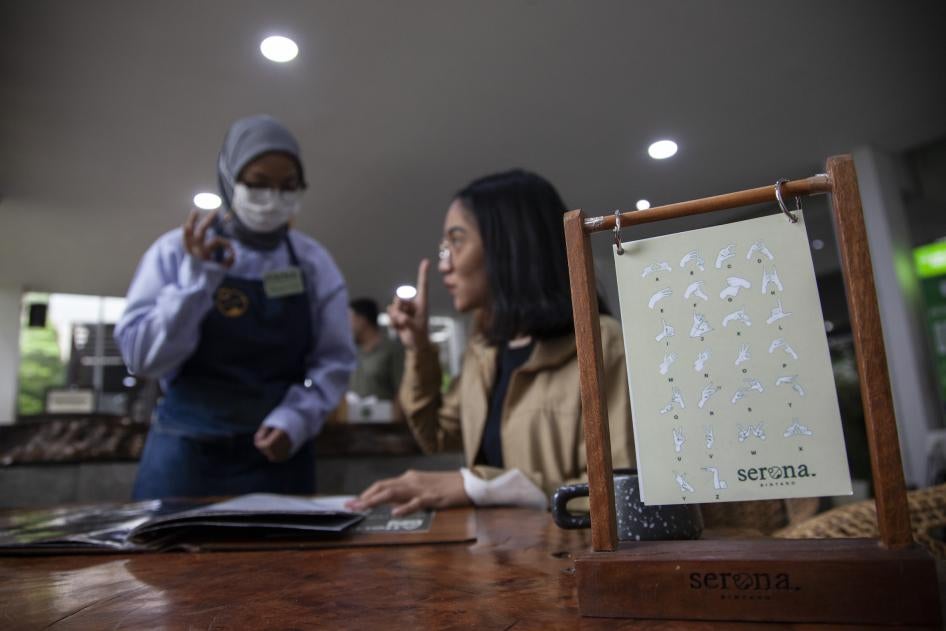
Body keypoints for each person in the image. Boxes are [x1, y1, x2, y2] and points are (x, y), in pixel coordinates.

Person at [347, 169, 634, 516]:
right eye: (443, 248)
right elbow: (436, 435)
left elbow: (623, 493)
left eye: (457, 241)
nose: (444, 265)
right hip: (501, 547)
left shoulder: (601, 343)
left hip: (568, 548)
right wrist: (418, 347)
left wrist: (483, 485)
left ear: (509, 244)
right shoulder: (485, 350)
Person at [116, 114, 356, 500]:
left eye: (288, 186)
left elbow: (335, 360)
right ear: (229, 179)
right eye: (258, 184)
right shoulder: (175, 252)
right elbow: (143, 359)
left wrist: (298, 417)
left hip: (276, 458)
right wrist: (195, 283)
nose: (273, 198)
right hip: (184, 456)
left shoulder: (313, 264)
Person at [348, 297, 405, 405]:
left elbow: (402, 390)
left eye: (349, 319)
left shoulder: (391, 350)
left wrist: (397, 414)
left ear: (362, 320)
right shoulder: (352, 353)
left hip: (384, 414)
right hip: (353, 414)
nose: (347, 326)